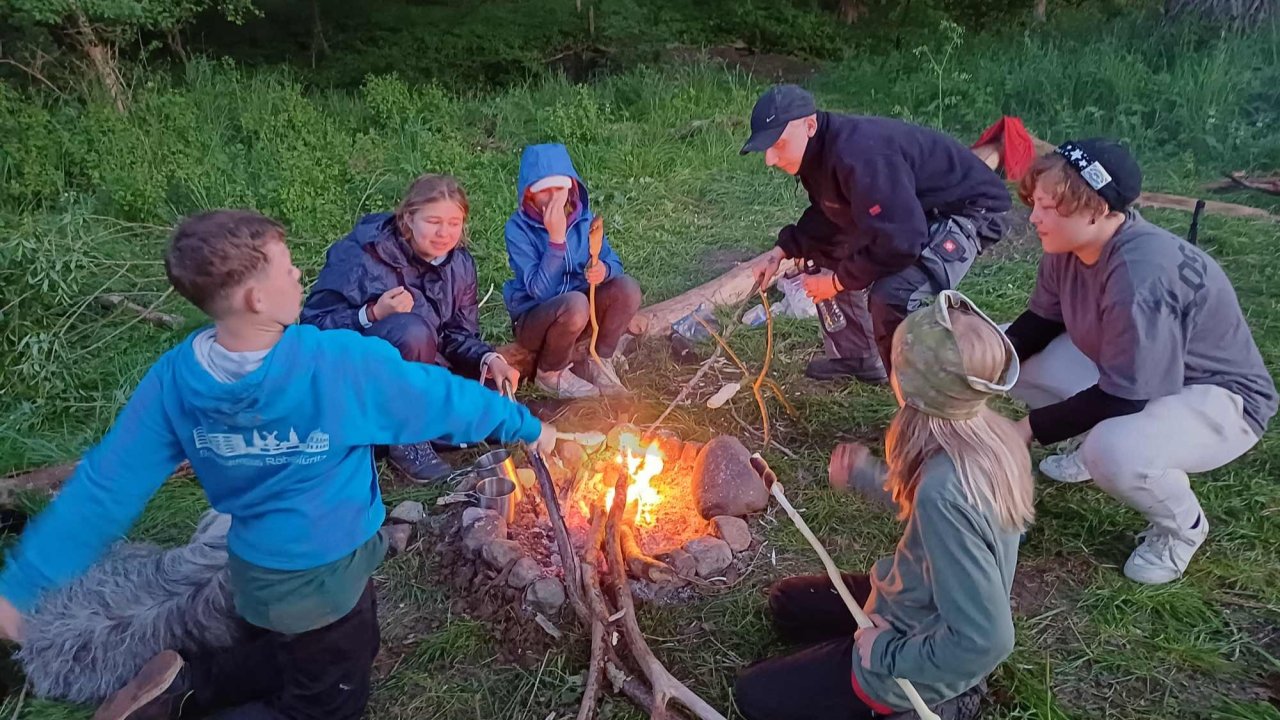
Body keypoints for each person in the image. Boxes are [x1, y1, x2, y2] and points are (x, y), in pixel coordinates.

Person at [0, 210, 557, 720]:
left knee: (279, 649)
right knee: (325, 702)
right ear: (255, 299)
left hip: (254, 572)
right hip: (329, 583)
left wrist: (22, 585)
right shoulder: (334, 363)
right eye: (287, 270)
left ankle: (178, 692)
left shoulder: (179, 377)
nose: (298, 276)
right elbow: (442, 399)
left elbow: (104, 488)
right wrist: (527, 425)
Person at [734, 291, 1031, 720]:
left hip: (918, 655)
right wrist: (869, 476)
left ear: (910, 385)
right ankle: (862, 654)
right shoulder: (990, 436)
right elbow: (938, 524)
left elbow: (989, 639)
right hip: (910, 602)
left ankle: (945, 700)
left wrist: (886, 651)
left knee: (754, 696)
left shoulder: (944, 492)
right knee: (788, 605)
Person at [1005, 139, 1276, 585]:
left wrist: (1027, 430)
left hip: (1220, 397)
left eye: (1051, 207)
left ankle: (1183, 530)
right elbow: (1040, 321)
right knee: (1006, 364)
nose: (1035, 218)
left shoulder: (1139, 277)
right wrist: (985, 361)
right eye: (1036, 204)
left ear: (1098, 210)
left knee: (1113, 450)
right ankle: (1090, 442)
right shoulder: (1069, 248)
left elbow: (1124, 395)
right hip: (1143, 371)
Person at [742, 84, 1011, 384]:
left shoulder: (858, 156)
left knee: (892, 295)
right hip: (911, 210)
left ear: (809, 125)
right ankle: (857, 357)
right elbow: (830, 215)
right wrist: (781, 251)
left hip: (971, 209)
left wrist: (837, 281)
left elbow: (903, 241)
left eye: (778, 144)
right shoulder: (816, 154)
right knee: (821, 254)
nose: (769, 159)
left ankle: (918, 399)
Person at [301, 173, 521, 482]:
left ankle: (381, 433)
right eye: (433, 221)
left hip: (421, 372)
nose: (444, 233)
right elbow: (313, 329)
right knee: (411, 331)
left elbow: (458, 336)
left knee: (494, 407)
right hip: (360, 376)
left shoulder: (460, 264)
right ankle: (408, 440)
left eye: (454, 223)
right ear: (408, 218)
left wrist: (489, 359)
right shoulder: (363, 255)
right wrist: (373, 313)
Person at [503, 143, 643, 399]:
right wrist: (556, 242)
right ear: (529, 195)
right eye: (544, 191)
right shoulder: (518, 230)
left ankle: (598, 358)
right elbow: (539, 291)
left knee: (627, 289)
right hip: (536, 320)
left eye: (559, 189)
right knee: (575, 304)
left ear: (571, 187)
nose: (555, 198)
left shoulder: (583, 218)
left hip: (582, 313)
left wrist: (603, 269)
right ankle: (549, 374)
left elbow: (615, 262)